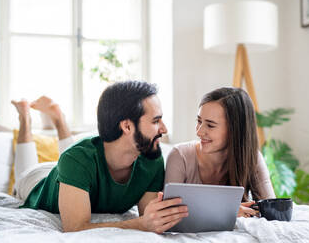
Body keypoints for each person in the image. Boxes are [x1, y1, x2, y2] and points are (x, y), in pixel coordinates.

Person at [11, 81, 188, 233]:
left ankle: (58, 118)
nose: (164, 129)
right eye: (156, 121)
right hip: (39, 179)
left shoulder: (151, 158)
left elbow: (149, 217)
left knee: (76, 159)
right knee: (25, 174)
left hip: (75, 169)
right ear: (127, 126)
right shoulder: (76, 159)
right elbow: (75, 228)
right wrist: (139, 225)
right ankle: (25, 118)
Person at [164, 87, 275, 218]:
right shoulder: (179, 156)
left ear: (235, 130)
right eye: (199, 121)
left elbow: (272, 209)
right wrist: (226, 211)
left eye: (210, 125)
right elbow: (168, 213)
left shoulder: (252, 158)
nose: (199, 132)